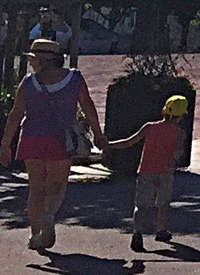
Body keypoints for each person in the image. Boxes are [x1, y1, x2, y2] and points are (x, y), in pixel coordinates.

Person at [0, 38, 104, 252]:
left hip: (31, 139)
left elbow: (15, 115)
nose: (31, 64)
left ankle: (36, 233)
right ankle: (48, 216)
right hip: (60, 140)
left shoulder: (28, 83)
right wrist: (98, 133)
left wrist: (5, 145)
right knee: (56, 186)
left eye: (33, 59)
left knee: (36, 188)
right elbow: (87, 106)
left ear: (43, 60)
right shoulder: (74, 79)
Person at [102, 94, 188, 252]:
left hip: (146, 170)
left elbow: (130, 141)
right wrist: (173, 161)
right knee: (163, 202)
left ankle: (137, 232)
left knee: (141, 205)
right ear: (181, 115)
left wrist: (109, 145)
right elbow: (178, 151)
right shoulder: (180, 133)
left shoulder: (150, 127)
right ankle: (161, 230)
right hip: (165, 172)